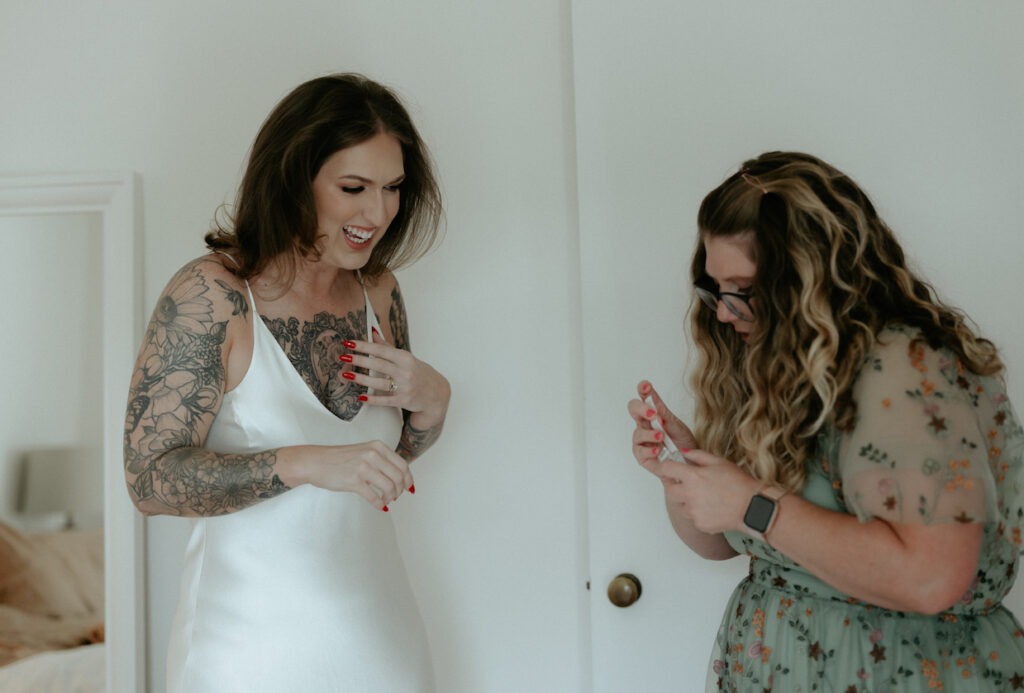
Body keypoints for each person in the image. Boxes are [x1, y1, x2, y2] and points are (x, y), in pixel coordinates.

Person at [628, 151, 1024, 692]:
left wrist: (750, 503)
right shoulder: (784, 370)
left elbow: (932, 578)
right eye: (716, 289)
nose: (722, 312)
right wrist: (685, 473)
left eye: (743, 291)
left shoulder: (902, 368)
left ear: (812, 277)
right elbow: (724, 543)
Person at [123, 73, 449, 693]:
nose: (377, 213)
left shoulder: (379, 291)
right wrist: (303, 463)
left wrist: (432, 408)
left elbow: (380, 465)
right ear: (293, 179)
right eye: (353, 187)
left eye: (393, 188)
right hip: (245, 653)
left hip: (381, 638)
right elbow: (148, 481)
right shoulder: (211, 295)